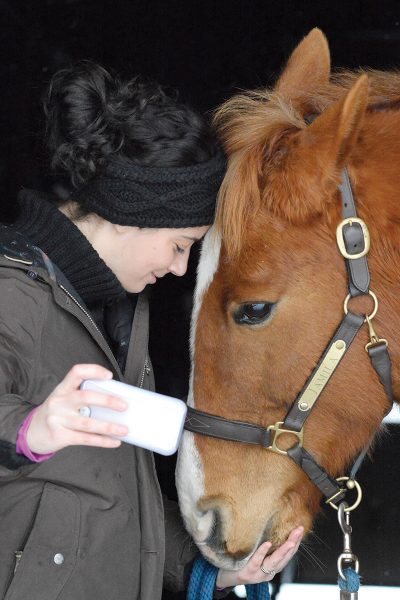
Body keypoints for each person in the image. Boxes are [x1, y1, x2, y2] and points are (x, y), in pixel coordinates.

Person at [0, 62, 302, 600]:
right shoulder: (11, 293)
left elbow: (114, 492)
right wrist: (29, 431)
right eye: (181, 245)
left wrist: (208, 573)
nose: (180, 270)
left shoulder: (118, 310)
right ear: (126, 216)